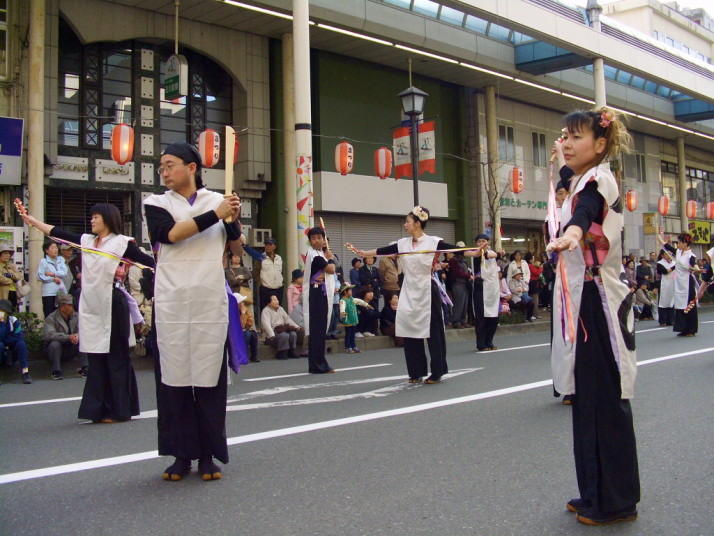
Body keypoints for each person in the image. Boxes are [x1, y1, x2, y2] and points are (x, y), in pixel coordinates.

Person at [548, 107, 639, 526]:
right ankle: (593, 492)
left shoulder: (600, 179)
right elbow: (568, 188)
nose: (566, 142)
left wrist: (572, 232)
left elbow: (585, 211)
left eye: (575, 137)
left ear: (600, 145)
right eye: (564, 135)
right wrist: (556, 165)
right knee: (586, 400)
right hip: (581, 300)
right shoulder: (579, 177)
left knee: (605, 398)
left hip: (600, 302)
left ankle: (617, 501)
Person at [143, 141, 241, 482]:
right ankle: (180, 456)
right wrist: (217, 214)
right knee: (174, 379)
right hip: (171, 301)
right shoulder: (155, 203)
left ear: (191, 167)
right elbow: (169, 235)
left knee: (209, 378)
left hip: (208, 301)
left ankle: (209, 455)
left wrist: (234, 218)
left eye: (170, 165)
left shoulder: (219, 200)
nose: (164, 172)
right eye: (162, 167)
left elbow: (236, 246)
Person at [22, 203, 154, 418]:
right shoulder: (86, 241)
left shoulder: (121, 243)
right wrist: (33, 221)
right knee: (96, 357)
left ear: (108, 219)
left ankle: (120, 409)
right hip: (90, 305)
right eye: (91, 217)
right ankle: (99, 409)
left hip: (112, 302)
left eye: (96, 217)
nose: (92, 220)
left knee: (116, 357)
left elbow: (150, 262)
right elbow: (57, 233)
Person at [348, 206, 469, 384]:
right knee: (409, 329)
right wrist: (364, 252)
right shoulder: (403, 243)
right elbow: (384, 250)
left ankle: (437, 370)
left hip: (428, 288)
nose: (405, 225)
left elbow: (455, 250)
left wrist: (476, 251)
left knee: (433, 331)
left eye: (408, 222)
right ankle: (415, 371)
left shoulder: (433, 242)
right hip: (408, 289)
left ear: (418, 224)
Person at [303, 227, 337, 374]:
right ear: (310, 241)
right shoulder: (314, 255)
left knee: (319, 331)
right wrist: (330, 257)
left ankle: (317, 363)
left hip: (320, 293)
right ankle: (318, 364)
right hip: (317, 294)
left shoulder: (319, 254)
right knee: (318, 331)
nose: (316, 240)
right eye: (313, 238)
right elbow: (331, 269)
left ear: (324, 239)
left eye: (319, 237)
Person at [42, 293, 88, 380]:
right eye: (69, 305)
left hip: (71, 347)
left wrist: (77, 336)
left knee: (83, 340)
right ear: (62, 306)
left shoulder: (76, 316)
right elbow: (49, 334)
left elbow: (84, 329)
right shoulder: (51, 318)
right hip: (54, 350)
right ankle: (56, 371)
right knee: (55, 344)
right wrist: (68, 337)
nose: (72, 307)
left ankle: (85, 368)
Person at [662, 233, 699, 337]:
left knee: (689, 306)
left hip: (687, 284)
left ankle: (691, 330)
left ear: (685, 243)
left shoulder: (691, 255)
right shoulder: (678, 252)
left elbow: (693, 264)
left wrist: (696, 268)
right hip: (679, 283)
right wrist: (660, 239)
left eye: (679, 242)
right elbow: (668, 247)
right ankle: (683, 329)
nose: (677, 244)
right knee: (680, 306)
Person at [471, 234, 500, 351]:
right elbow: (488, 254)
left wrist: (499, 253)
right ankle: (481, 343)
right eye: (479, 241)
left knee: (493, 317)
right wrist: (497, 253)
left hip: (493, 289)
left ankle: (489, 341)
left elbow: (494, 255)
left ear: (488, 242)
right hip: (480, 287)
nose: (481, 243)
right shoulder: (476, 253)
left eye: (483, 241)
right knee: (481, 317)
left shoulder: (491, 252)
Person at [0, 299, 31, 384]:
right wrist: (2, 324)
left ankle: (25, 372)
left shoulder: (14, 320)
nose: (2, 313)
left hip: (11, 350)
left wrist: (6, 340)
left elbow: (19, 336)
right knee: (0, 345)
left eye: (4, 311)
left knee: (21, 344)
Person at [261, 294, 301, 359]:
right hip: (272, 333)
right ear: (269, 302)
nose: (277, 301)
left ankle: (291, 351)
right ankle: (281, 353)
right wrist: (272, 335)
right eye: (274, 300)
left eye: (277, 299)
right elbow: (266, 324)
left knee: (293, 334)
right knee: (284, 335)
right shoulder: (265, 311)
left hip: (282, 329)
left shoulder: (281, 309)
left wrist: (296, 326)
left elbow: (288, 319)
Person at [339, 283, 372, 354]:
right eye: (350, 290)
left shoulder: (352, 299)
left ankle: (353, 346)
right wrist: (342, 313)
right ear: (345, 292)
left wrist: (367, 305)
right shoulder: (343, 300)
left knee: (352, 334)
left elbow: (359, 301)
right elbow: (342, 308)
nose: (351, 291)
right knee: (348, 334)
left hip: (353, 319)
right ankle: (348, 347)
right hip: (347, 320)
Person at [37, 241, 68, 317]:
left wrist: (53, 274)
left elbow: (64, 273)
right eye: (53, 248)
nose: (55, 250)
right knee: (49, 314)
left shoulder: (61, 259)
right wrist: (53, 279)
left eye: (56, 248)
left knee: (62, 314)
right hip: (49, 292)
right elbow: (40, 276)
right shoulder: (43, 261)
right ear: (46, 250)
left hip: (61, 291)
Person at [258, 238, 283, 312]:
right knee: (265, 311)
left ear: (274, 246)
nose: (267, 246)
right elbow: (256, 272)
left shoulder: (279, 258)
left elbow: (281, 271)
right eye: (266, 245)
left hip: (278, 288)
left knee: (278, 310)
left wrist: (282, 281)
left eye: (270, 244)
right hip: (266, 288)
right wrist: (260, 284)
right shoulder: (261, 257)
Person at [447, 250, 471, 329]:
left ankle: (463, 320)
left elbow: (467, 270)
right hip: (457, 283)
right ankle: (456, 321)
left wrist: (470, 275)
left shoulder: (464, 261)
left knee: (464, 303)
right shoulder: (453, 260)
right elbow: (457, 272)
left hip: (465, 284)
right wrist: (468, 276)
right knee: (458, 303)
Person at [656, 249, 675, 326]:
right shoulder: (660, 263)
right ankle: (662, 321)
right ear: (662, 255)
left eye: (670, 254)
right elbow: (665, 271)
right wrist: (674, 267)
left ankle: (671, 320)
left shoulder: (674, 263)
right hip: (664, 284)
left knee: (671, 302)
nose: (669, 255)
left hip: (672, 284)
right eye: (667, 254)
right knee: (663, 302)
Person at [0, 242, 22, 309]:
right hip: (3, 293)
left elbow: (19, 276)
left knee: (13, 312)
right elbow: (1, 279)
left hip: (14, 292)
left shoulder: (11, 265)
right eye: (5, 253)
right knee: (3, 312)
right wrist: (11, 280)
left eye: (9, 253)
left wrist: (11, 275)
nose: (8, 255)